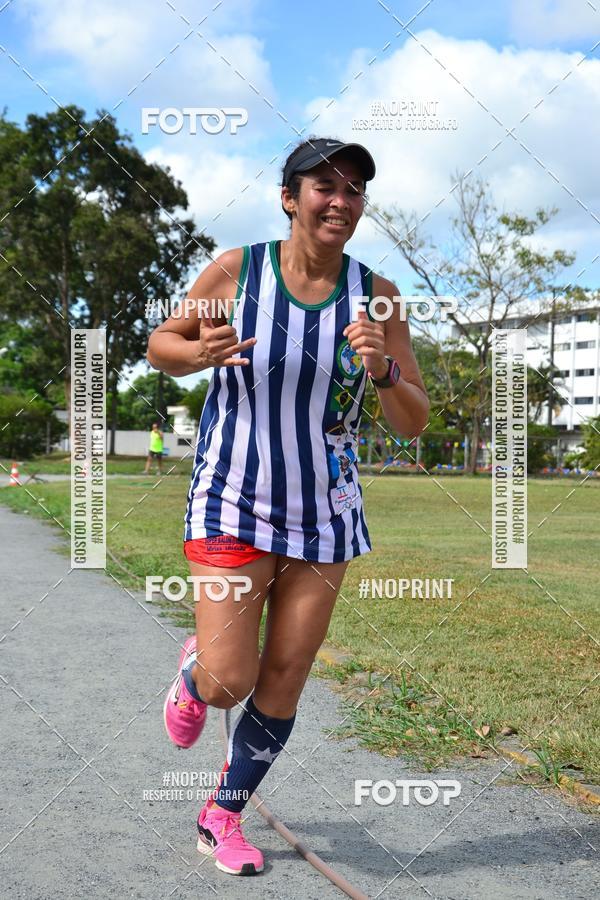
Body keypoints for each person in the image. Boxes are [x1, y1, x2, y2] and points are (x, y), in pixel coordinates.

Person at [147, 136, 429, 877]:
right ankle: (196, 674)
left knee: (285, 677)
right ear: (289, 196)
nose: (341, 200)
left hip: (325, 513)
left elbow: (413, 419)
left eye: (355, 189)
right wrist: (197, 355)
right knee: (229, 680)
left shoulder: (379, 295)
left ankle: (223, 815)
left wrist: (385, 368)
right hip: (233, 497)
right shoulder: (238, 271)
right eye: (324, 186)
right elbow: (160, 343)